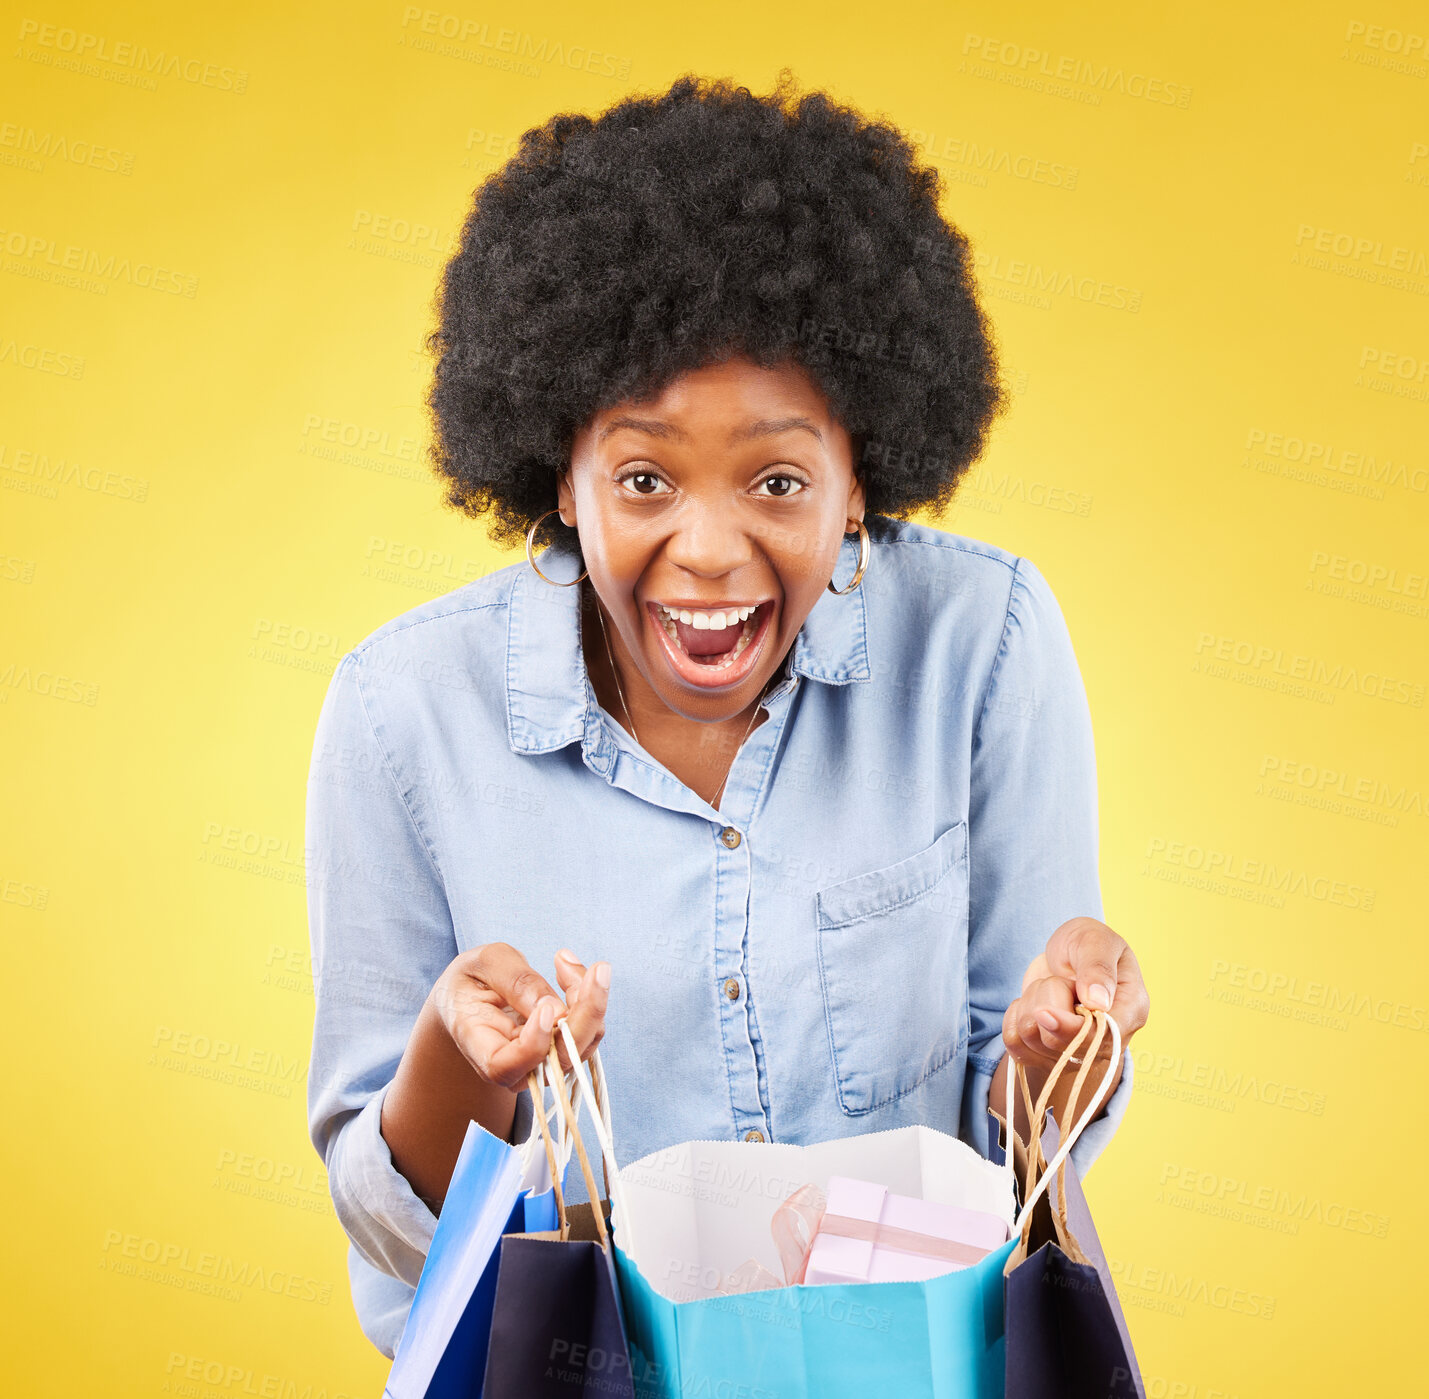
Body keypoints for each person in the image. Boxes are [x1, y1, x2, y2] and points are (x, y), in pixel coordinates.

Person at [305, 70, 1151, 1357]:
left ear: (857, 480)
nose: (707, 549)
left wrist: (1055, 1052)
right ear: (562, 475)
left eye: (776, 478)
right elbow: (393, 1232)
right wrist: (467, 1066)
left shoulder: (986, 644)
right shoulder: (399, 715)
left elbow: (1015, 1167)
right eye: (643, 477)